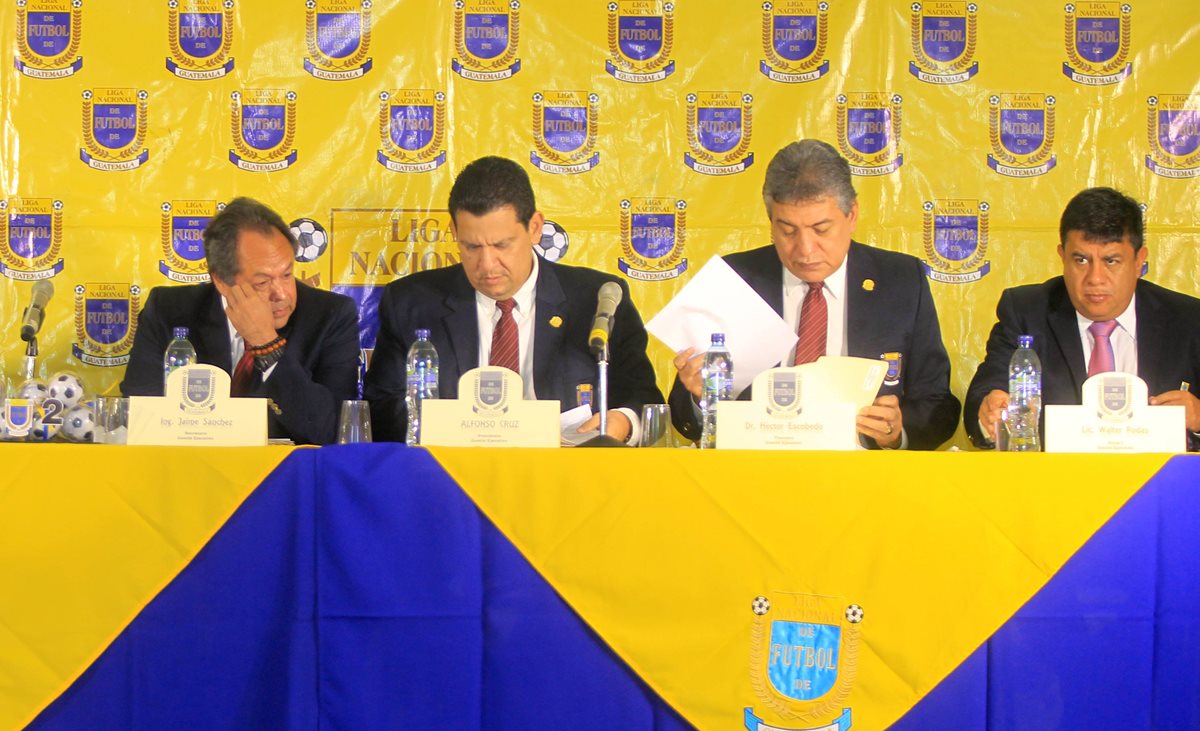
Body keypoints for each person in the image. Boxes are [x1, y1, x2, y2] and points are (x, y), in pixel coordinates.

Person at [668, 139, 961, 450]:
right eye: (788, 230)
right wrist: (700, 396)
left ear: (852, 216)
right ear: (771, 222)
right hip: (754, 469)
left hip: (863, 475)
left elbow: (937, 404)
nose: (805, 250)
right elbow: (685, 415)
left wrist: (898, 430)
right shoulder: (736, 280)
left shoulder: (900, 279)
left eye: (821, 229)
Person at [365, 156, 663, 444]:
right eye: (471, 246)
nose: (487, 264)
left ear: (534, 228)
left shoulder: (597, 299)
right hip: (451, 477)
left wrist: (622, 422)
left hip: (566, 477)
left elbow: (643, 398)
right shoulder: (411, 302)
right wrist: (450, 425)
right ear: (454, 232)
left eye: (501, 245)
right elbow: (380, 409)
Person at [965, 186, 1200, 448]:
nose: (1095, 279)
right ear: (1062, 256)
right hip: (1053, 483)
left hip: (1159, 485)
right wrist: (989, 412)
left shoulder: (1189, 320)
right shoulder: (1026, 312)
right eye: (1081, 260)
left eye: (1111, 261)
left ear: (1139, 261)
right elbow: (984, 395)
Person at [121, 197, 361, 444]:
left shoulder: (330, 315)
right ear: (222, 282)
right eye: (262, 283)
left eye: (287, 274)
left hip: (286, 476)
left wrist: (267, 344)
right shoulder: (169, 310)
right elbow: (139, 415)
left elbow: (333, 431)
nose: (281, 294)